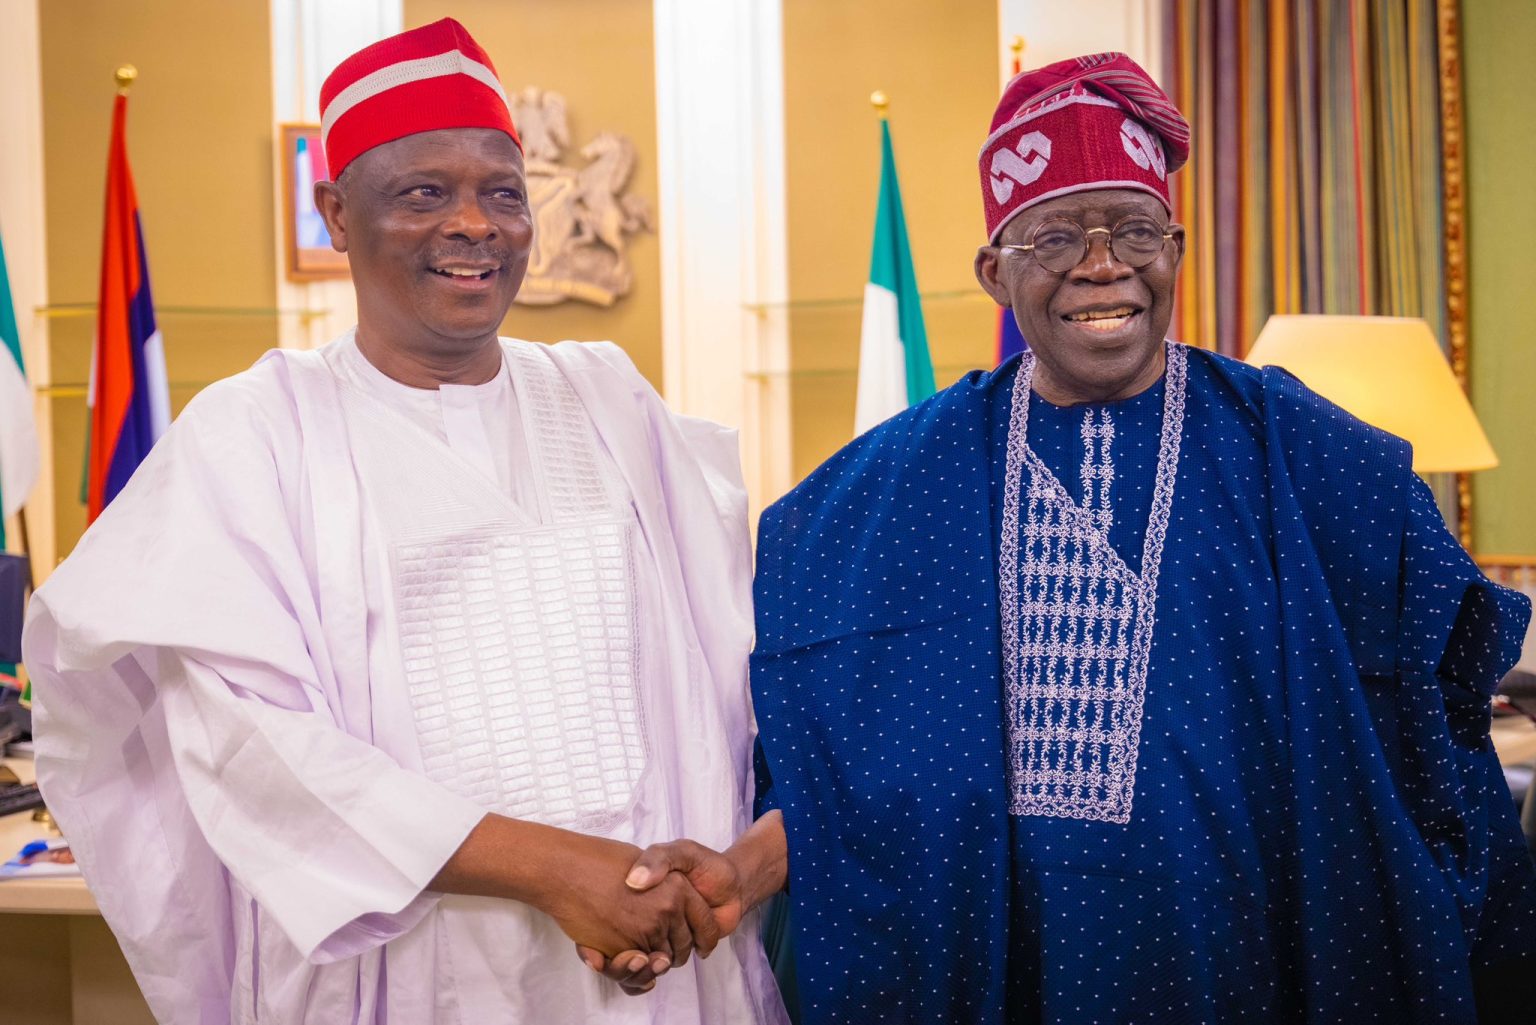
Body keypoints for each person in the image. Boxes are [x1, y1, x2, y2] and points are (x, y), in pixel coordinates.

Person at [595, 52, 1536, 1022]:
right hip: (998, 966)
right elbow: (846, 771)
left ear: (1175, 249)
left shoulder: (1302, 455)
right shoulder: (880, 499)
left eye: (1136, 230)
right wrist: (740, 871)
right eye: (1055, 238)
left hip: (1245, 960)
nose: (1103, 264)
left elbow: (1442, 686)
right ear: (995, 273)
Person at [22, 18, 787, 1025]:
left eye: (503, 193)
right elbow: (251, 745)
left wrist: (702, 876)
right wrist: (555, 869)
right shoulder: (257, 432)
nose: (474, 224)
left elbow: (724, 661)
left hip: (662, 967)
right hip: (407, 972)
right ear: (337, 212)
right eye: (424, 192)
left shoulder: (612, 401)